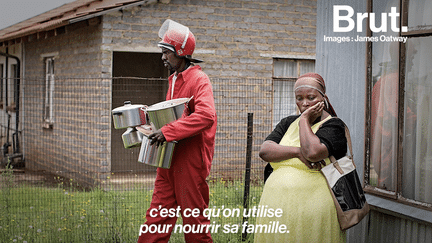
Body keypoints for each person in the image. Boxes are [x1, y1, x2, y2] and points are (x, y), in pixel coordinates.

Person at [137, 19, 217, 243]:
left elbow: (206, 115)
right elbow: (175, 117)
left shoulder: (199, 79)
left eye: (166, 52)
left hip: (190, 163)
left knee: (194, 226)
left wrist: (168, 132)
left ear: (181, 52)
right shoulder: (173, 79)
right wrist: (149, 122)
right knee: (156, 220)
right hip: (168, 160)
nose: (163, 57)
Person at [255, 73, 347, 242]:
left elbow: (312, 152)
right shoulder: (287, 122)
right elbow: (265, 151)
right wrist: (297, 152)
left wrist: (304, 120)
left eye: (311, 98)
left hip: (313, 209)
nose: (304, 103)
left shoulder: (334, 126)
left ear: (323, 98)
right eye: (299, 98)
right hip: (276, 205)